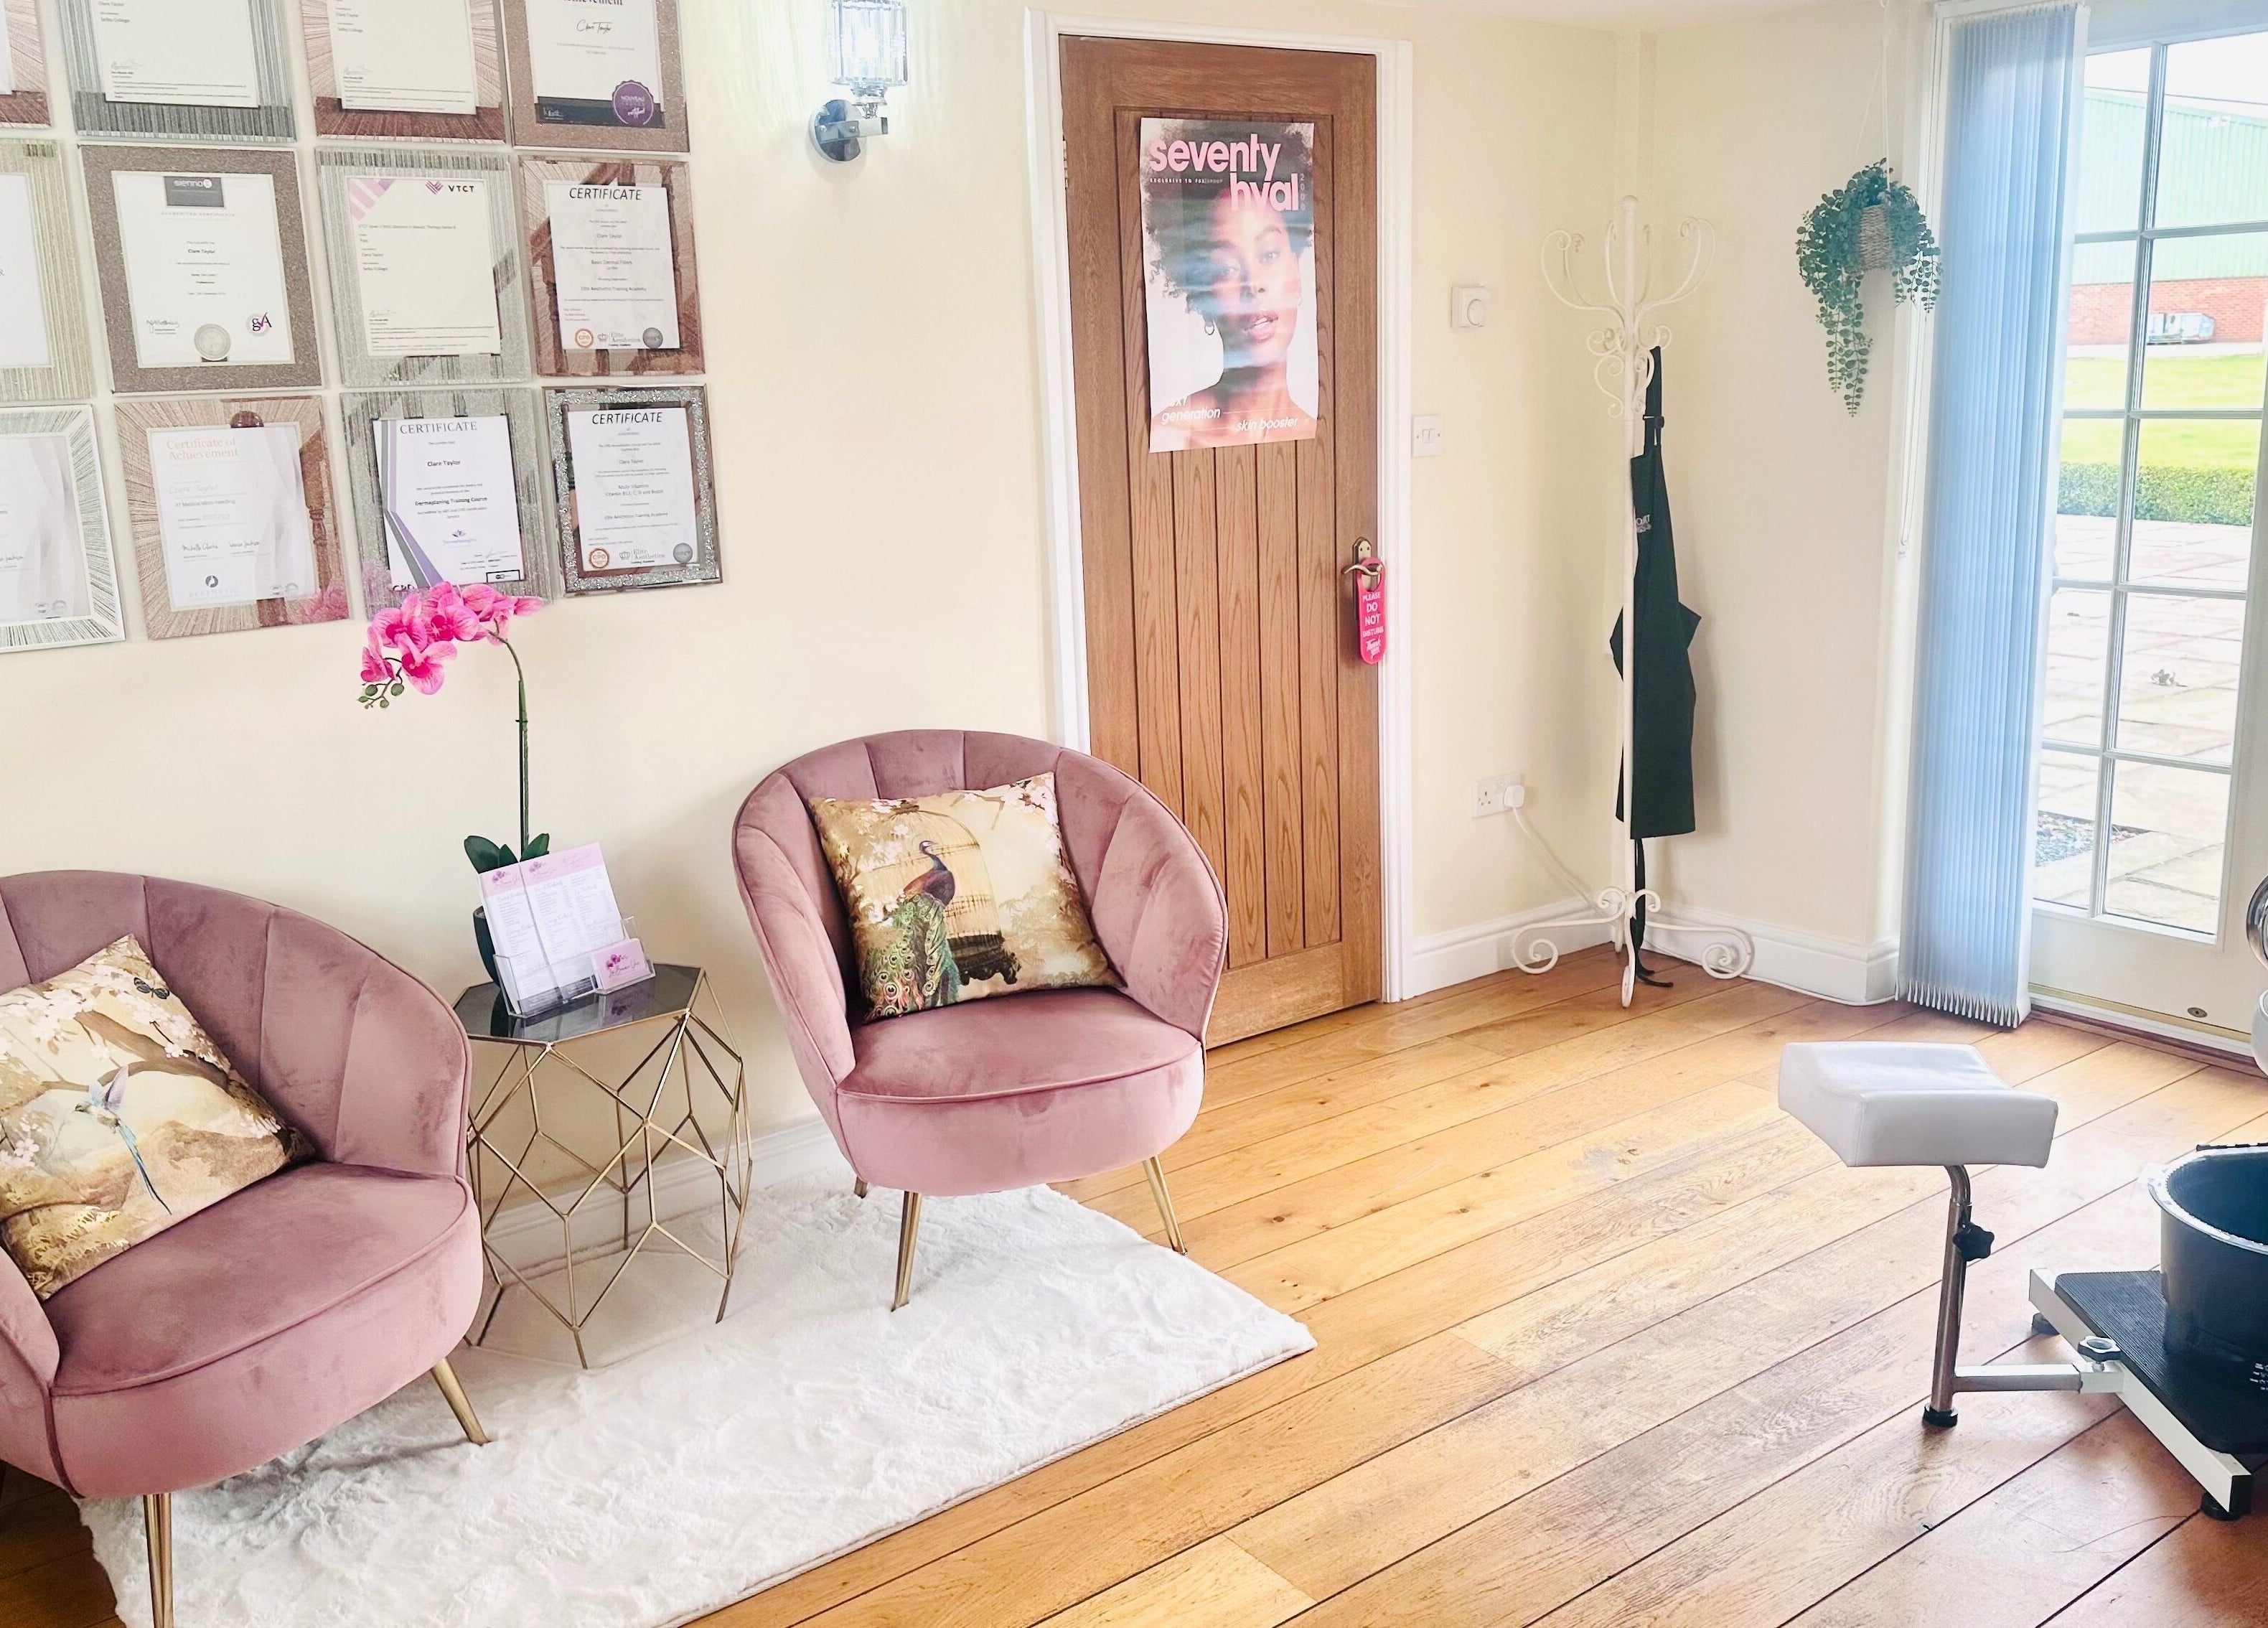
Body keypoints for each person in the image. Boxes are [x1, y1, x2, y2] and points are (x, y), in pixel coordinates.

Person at [1145, 128, 1317, 451]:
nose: (1254, 284)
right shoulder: (1172, 432)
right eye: (1226, 268)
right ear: (1201, 296)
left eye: (1269, 254)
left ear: (1297, 268)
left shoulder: (1321, 435)